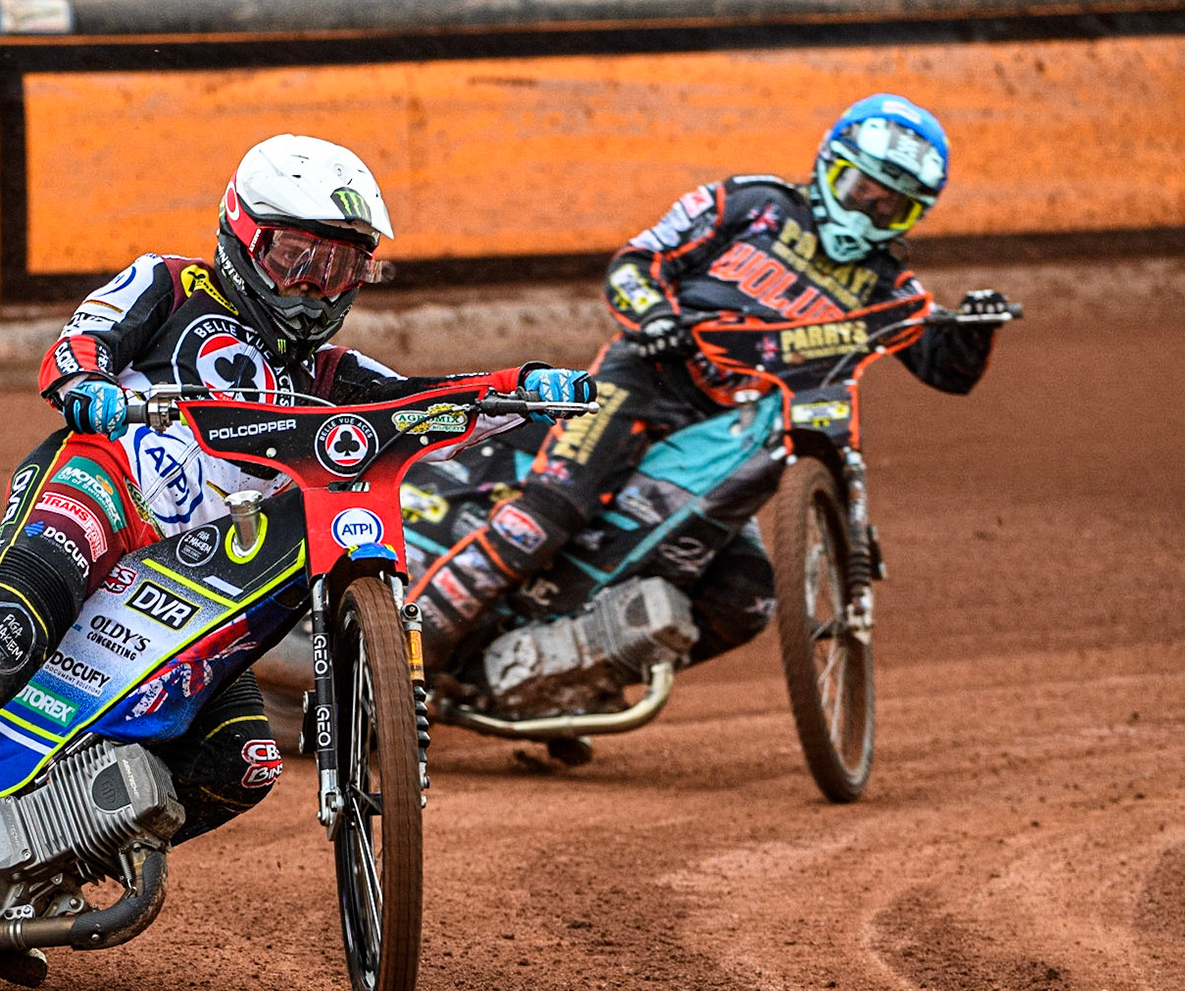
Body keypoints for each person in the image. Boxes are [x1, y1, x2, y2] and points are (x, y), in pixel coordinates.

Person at [0, 134, 597, 974]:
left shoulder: (334, 371)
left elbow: (424, 401)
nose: (309, 285)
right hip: (99, 491)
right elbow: (80, 342)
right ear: (240, 233)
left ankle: (7, 880)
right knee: (3, 634)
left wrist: (522, 390)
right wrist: (87, 384)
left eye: (335, 267)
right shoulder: (168, 283)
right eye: (293, 255)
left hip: (195, 579)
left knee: (242, 762)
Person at [409, 92, 1013, 672]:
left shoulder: (889, 288)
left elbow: (945, 369)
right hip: (642, 383)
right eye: (861, 190)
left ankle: (569, 679)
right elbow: (636, 262)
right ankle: (401, 660)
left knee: (744, 599)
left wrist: (976, 329)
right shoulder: (749, 204)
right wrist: (655, 317)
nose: (866, 213)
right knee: (545, 516)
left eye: (890, 208)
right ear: (831, 166)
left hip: (727, 438)